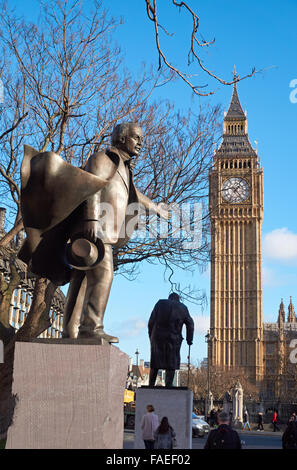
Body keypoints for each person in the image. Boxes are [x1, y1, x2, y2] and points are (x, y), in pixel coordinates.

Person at [19, 122, 169, 341]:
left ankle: (70, 330)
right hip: (94, 229)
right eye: (136, 137)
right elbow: (91, 187)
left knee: (82, 279)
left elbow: (134, 194)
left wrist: (156, 207)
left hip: (103, 231)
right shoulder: (103, 159)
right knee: (104, 274)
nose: (141, 143)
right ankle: (92, 327)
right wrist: (91, 219)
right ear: (122, 138)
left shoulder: (123, 169)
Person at [148, 292, 194, 388]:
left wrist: (151, 338)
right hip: (174, 338)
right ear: (178, 299)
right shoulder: (183, 307)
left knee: (155, 363)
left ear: (169, 298)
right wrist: (189, 339)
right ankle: (168, 386)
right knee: (171, 363)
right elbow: (190, 324)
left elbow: (150, 322)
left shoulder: (160, 303)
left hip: (157, 337)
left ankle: (151, 385)